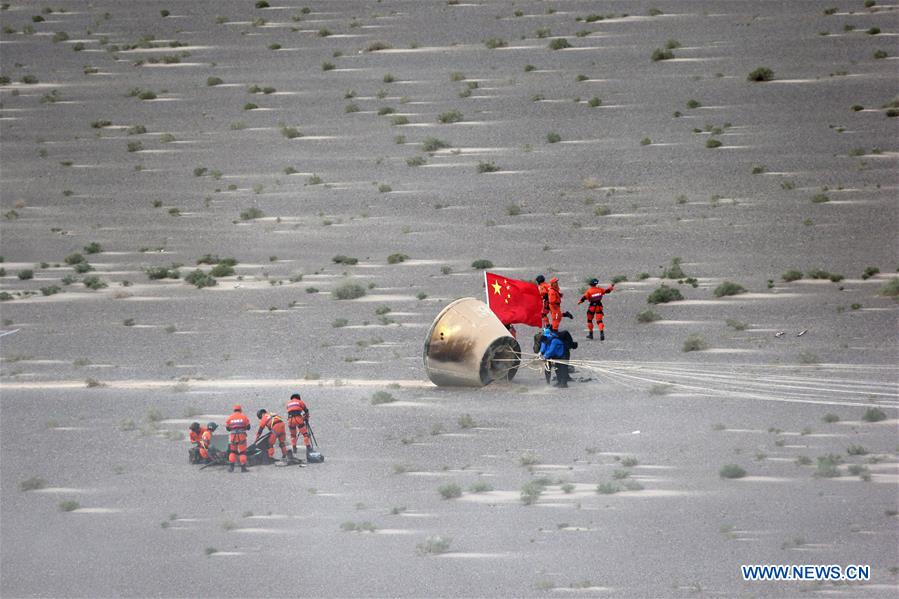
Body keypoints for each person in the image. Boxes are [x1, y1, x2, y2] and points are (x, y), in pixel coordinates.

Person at [224, 405, 251, 473]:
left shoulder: (230, 417)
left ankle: (231, 468)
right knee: (242, 452)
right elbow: (248, 427)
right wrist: (243, 428)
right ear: (240, 410)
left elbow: (227, 428)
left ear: (234, 410)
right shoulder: (244, 417)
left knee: (233, 452)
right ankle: (243, 468)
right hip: (242, 436)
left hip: (233, 436)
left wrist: (233, 428)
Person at [286, 393, 312, 458]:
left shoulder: (288, 403)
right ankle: (308, 447)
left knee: (293, 435)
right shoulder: (300, 402)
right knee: (305, 434)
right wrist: (306, 417)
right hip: (298, 419)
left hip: (290, 420)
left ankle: (294, 448)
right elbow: (306, 411)